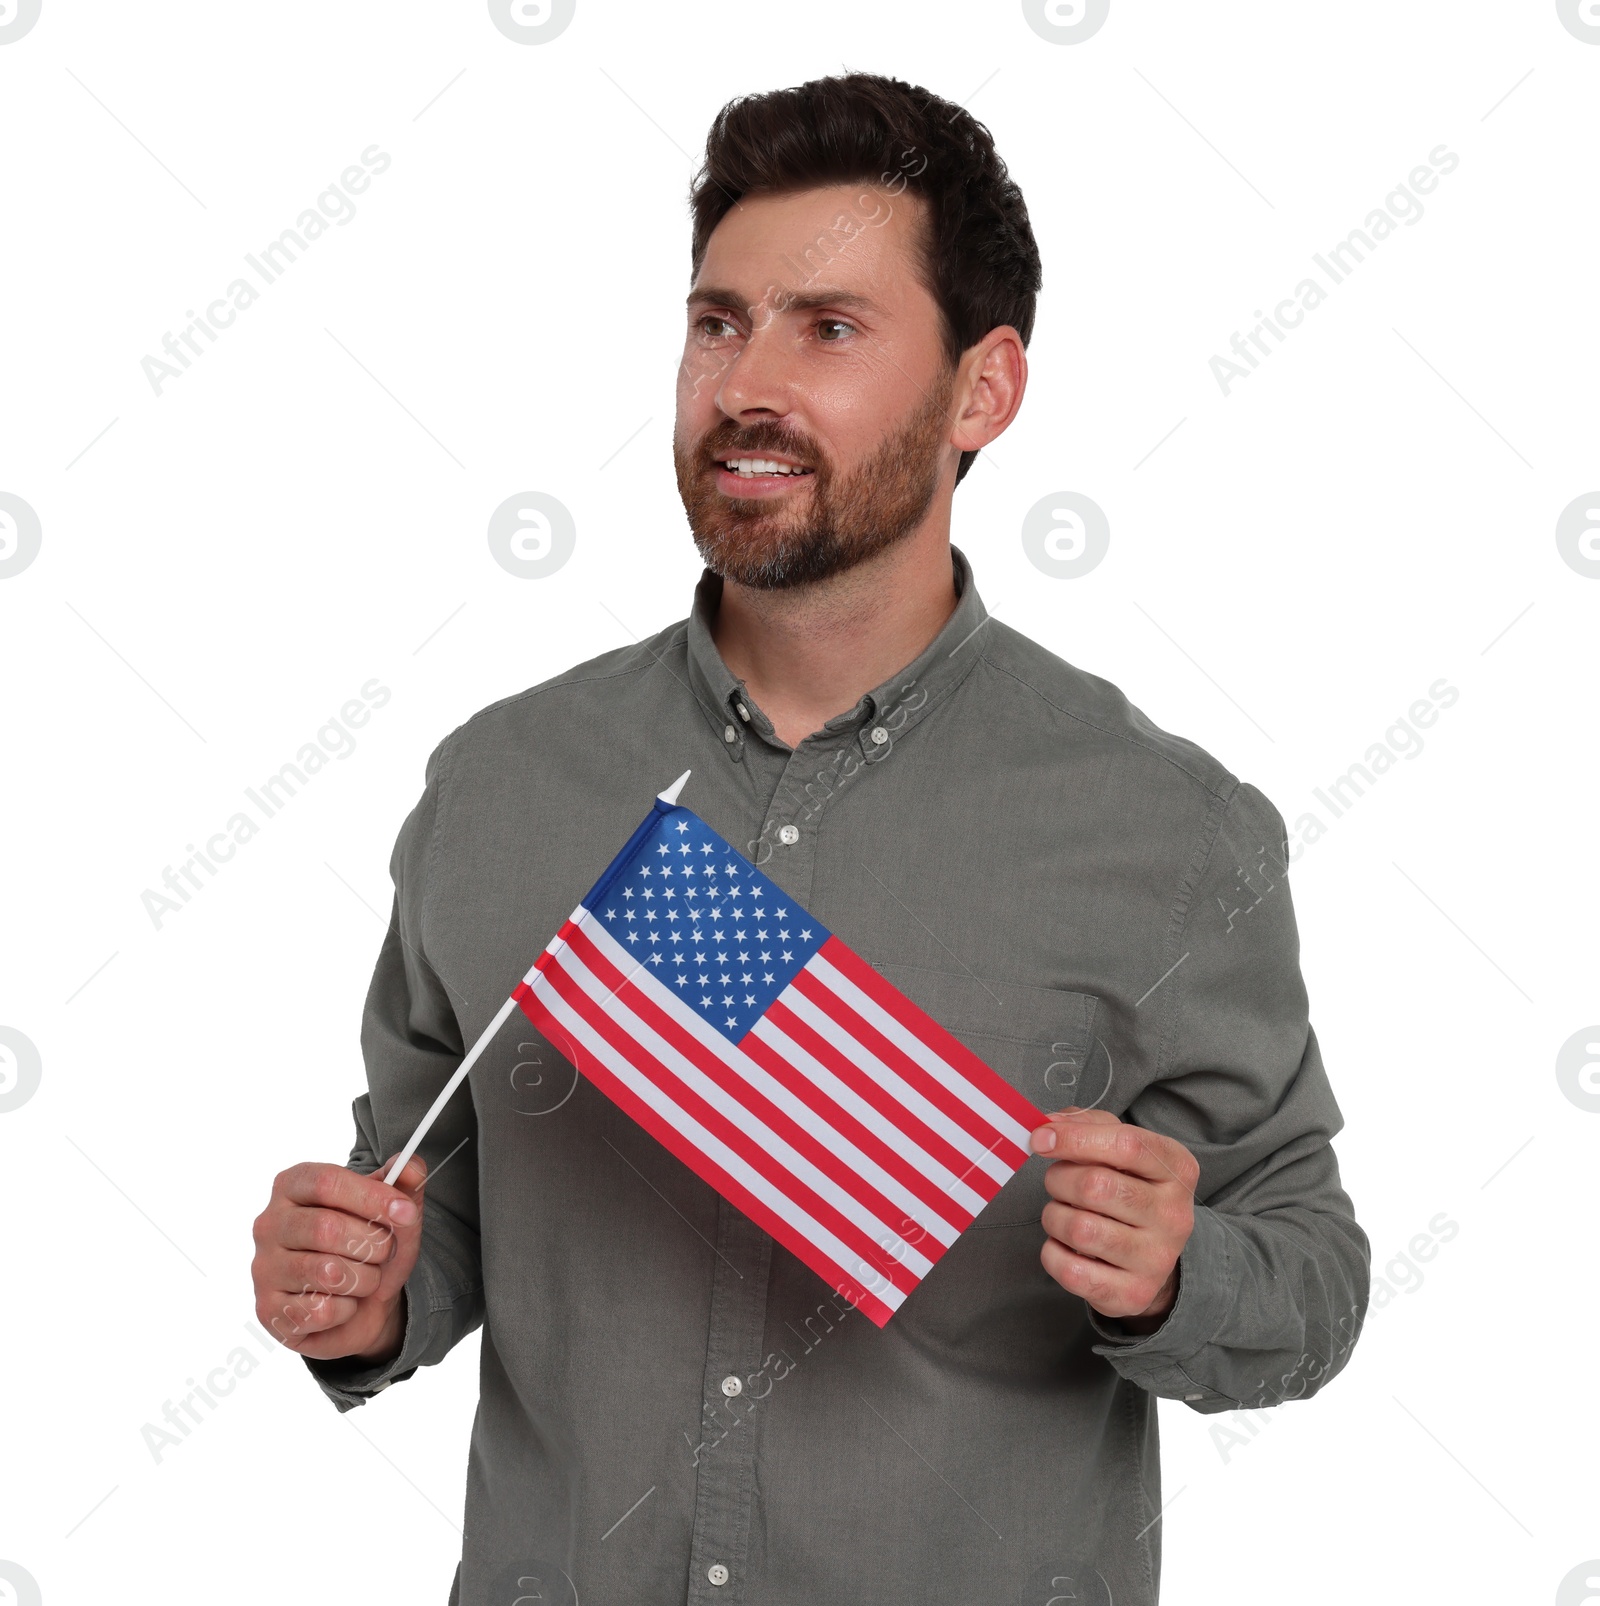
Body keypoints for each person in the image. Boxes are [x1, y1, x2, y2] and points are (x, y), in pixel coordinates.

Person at [251, 71, 1369, 1606]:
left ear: (984, 390)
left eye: (828, 329)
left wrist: (1183, 1275)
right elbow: (433, 1199)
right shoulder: (504, 783)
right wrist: (363, 1291)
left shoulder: (1163, 827)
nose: (744, 384)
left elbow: (1311, 1270)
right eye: (720, 322)